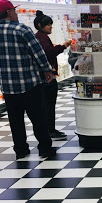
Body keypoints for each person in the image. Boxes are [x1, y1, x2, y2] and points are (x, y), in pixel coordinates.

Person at [0, 0, 56, 159]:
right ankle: (44, 148)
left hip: (8, 87)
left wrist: (2, 77)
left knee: (15, 120)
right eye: (14, 11)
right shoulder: (22, 29)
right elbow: (38, 52)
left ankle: (21, 150)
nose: (16, 14)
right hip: (30, 83)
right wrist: (47, 69)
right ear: (9, 12)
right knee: (39, 118)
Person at [33, 11, 72, 141]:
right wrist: (63, 46)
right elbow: (48, 53)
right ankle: (50, 130)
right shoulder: (42, 37)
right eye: (48, 24)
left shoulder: (40, 36)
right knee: (49, 104)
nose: (51, 27)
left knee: (46, 105)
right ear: (40, 25)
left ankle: (49, 130)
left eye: (51, 24)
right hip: (47, 77)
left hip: (44, 76)